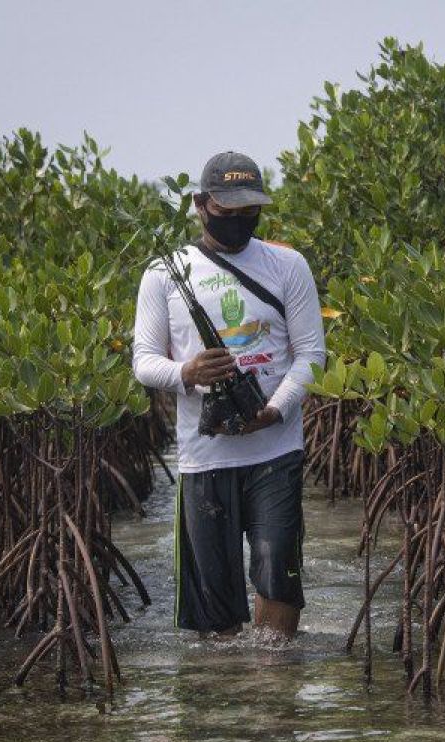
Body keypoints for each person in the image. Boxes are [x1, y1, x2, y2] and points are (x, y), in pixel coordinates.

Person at [131, 151, 326, 640]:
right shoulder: (163, 273)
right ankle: (228, 697)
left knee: (277, 571)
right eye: (227, 211)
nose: (239, 221)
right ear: (200, 204)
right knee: (215, 609)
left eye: (249, 212)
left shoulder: (288, 265)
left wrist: (273, 410)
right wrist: (188, 372)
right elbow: (144, 362)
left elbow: (311, 355)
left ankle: (272, 684)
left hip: (275, 448)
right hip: (205, 456)